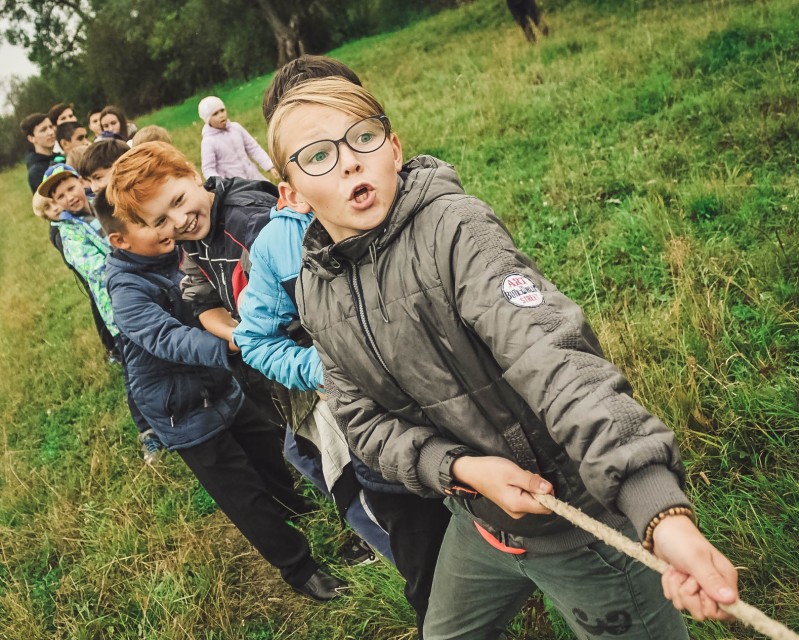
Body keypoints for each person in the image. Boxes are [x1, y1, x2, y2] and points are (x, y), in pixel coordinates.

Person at [269, 77, 741, 640]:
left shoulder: (456, 230)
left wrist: (659, 511)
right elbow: (363, 424)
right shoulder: (315, 290)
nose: (348, 163)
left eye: (363, 137)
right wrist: (459, 469)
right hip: (479, 522)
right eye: (318, 156)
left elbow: (552, 358)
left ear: (393, 149)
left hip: (580, 527)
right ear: (292, 195)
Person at [237, 56, 452, 637]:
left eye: (356, 128)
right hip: (382, 444)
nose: (346, 156)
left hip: (465, 418)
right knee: (428, 570)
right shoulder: (282, 245)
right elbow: (253, 338)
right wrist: (327, 369)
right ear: (291, 173)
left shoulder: (431, 209)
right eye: (316, 148)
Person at [97, 191, 346, 601]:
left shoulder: (180, 251)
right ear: (120, 241)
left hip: (221, 387)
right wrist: (238, 344)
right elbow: (166, 337)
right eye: (152, 223)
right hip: (183, 411)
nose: (167, 227)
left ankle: (295, 506)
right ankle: (298, 568)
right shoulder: (125, 289)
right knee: (242, 492)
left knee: (267, 453)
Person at [37, 164, 163, 464]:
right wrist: (134, 257)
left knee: (162, 350)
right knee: (136, 372)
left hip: (150, 292)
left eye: (70, 188)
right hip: (118, 310)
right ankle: (147, 431)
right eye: (59, 195)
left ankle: (175, 408)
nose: (69, 197)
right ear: (54, 204)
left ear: (82, 183)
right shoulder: (69, 233)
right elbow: (95, 268)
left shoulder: (105, 208)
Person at [199, 96, 278, 182]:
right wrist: (222, 184)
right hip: (236, 187)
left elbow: (253, 148)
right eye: (215, 114)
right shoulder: (208, 142)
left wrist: (270, 166)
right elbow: (208, 169)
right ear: (207, 119)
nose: (221, 115)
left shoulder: (236, 128)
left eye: (222, 110)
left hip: (254, 177)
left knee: (271, 193)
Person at [21, 114, 57, 193]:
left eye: (51, 127)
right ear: (31, 138)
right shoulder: (36, 172)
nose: (51, 132)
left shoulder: (60, 157)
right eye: (43, 130)